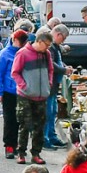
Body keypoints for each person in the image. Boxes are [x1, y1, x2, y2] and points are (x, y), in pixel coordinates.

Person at [14, 32, 60, 165]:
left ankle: (36, 153)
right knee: (25, 124)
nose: (48, 48)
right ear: (39, 42)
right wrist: (24, 86)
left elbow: (50, 70)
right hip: (25, 95)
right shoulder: (23, 53)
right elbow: (15, 72)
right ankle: (21, 152)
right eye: (46, 45)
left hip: (41, 96)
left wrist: (49, 84)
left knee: (39, 126)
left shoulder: (47, 55)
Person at [0, 29, 25, 160]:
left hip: (22, 91)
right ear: (15, 40)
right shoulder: (5, 54)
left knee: (20, 119)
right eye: (21, 42)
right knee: (9, 119)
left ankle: (18, 144)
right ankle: (9, 146)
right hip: (8, 91)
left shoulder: (24, 53)